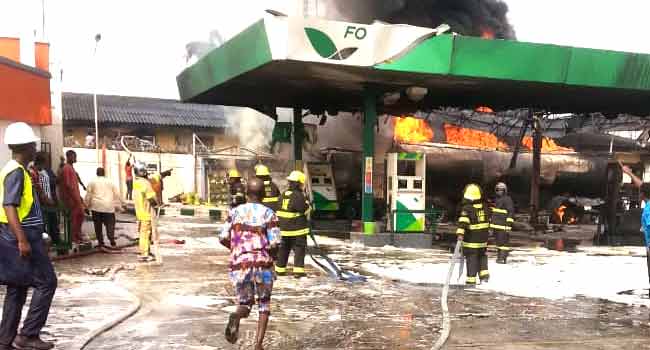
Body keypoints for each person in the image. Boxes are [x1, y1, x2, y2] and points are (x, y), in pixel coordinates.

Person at [0, 122, 57, 350]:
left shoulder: (15, 170)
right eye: (33, 144)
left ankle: (5, 340)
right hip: (20, 236)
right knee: (47, 282)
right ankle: (28, 335)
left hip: (14, 234)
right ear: (26, 147)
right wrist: (23, 240)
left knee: (18, 286)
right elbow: (10, 206)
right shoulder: (16, 172)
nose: (36, 148)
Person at [219, 177, 280, 350]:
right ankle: (258, 345)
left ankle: (236, 316)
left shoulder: (235, 212)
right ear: (263, 195)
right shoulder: (269, 213)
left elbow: (222, 237)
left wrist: (236, 249)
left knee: (245, 304)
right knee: (264, 304)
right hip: (263, 263)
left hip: (241, 264)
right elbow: (275, 242)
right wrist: (272, 259)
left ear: (246, 193)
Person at [620, 162, 650, 298]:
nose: (638, 193)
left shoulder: (648, 210)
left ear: (643, 195)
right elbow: (642, 185)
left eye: (640, 192)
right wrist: (628, 172)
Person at [275, 171, 311, 278]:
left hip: (284, 229)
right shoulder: (298, 196)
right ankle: (298, 271)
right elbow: (304, 210)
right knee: (299, 249)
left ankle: (280, 269)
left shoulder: (283, 195)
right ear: (299, 183)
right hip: (297, 229)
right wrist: (308, 204)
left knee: (284, 249)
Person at [457, 183, 490, 285]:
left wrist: (460, 234)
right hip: (483, 240)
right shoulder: (485, 207)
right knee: (482, 256)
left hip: (471, 240)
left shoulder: (467, 208)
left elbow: (463, 223)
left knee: (472, 258)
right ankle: (484, 276)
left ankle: (471, 280)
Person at [85, 168, 124, 248]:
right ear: (104, 173)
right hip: (108, 207)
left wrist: (86, 206)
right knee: (110, 224)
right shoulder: (110, 182)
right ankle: (112, 240)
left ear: (97, 173)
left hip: (96, 207)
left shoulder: (92, 182)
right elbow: (117, 194)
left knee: (98, 226)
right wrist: (123, 203)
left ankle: (101, 242)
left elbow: (88, 195)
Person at [132, 161, 158, 262]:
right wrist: (156, 204)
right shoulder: (145, 183)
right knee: (146, 234)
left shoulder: (136, 182)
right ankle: (144, 254)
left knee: (143, 233)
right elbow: (151, 198)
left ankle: (145, 251)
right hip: (146, 212)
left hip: (139, 212)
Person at [61, 150, 86, 245]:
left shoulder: (71, 168)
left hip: (76, 198)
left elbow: (74, 185)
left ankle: (77, 237)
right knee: (75, 219)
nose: (75, 158)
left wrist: (80, 198)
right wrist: (76, 200)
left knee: (80, 217)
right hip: (72, 200)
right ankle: (74, 238)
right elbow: (68, 185)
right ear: (69, 157)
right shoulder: (66, 168)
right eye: (74, 156)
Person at [34, 154, 60, 244]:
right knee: (43, 224)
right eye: (44, 162)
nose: (46, 164)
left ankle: (56, 242)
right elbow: (37, 189)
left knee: (53, 222)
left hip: (49, 201)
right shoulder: (34, 172)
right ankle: (43, 244)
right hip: (41, 203)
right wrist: (45, 199)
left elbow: (53, 182)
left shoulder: (45, 171)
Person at [490, 182, 515, 264]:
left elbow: (510, 212)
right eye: (498, 190)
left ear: (505, 190)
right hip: (496, 226)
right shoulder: (496, 200)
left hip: (503, 226)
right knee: (498, 243)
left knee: (503, 243)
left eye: (501, 190)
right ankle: (500, 257)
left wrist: (508, 225)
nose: (499, 191)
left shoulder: (507, 199)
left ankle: (502, 258)